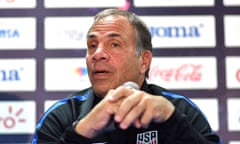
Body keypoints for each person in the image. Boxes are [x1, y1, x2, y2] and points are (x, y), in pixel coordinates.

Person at [32, 8, 221, 144]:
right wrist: (83, 131)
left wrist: (171, 120)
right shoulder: (62, 116)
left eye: (114, 44)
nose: (98, 54)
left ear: (144, 61)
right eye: (92, 45)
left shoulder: (178, 110)